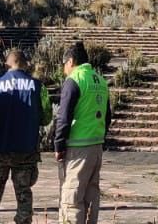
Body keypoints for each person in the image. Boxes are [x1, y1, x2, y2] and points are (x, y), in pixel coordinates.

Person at [0, 48, 50, 224]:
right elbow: (47, 117)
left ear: (7, 64)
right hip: (26, 151)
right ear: (25, 64)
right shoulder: (38, 87)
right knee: (24, 195)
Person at [53, 41, 111, 224]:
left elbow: (64, 117)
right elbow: (107, 116)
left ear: (70, 61)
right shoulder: (100, 80)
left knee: (72, 198)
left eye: (64, 65)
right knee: (91, 197)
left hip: (77, 147)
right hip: (96, 146)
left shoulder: (74, 80)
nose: (64, 70)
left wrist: (58, 144)